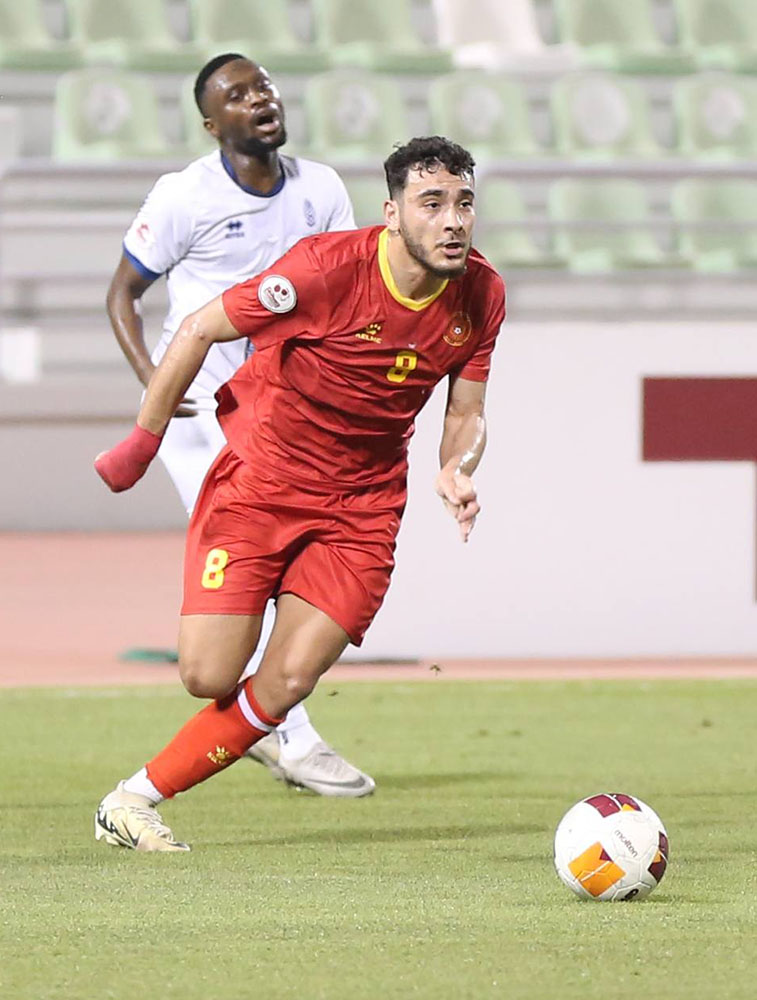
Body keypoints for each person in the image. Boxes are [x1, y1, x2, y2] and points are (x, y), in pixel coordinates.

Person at [93, 135, 506, 852]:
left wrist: (456, 467)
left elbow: (465, 410)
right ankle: (238, 723)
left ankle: (132, 800)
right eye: (432, 202)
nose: (453, 221)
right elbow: (198, 327)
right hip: (263, 482)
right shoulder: (325, 270)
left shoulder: (482, 293)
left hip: (362, 508)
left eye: (464, 203)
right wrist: (144, 438)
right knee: (207, 674)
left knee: (285, 683)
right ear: (392, 213)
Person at [105, 52, 374, 797]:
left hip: (281, 415)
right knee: (254, 561)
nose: (260, 98)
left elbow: (345, 289)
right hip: (199, 411)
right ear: (211, 123)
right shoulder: (184, 196)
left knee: (288, 566)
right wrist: (153, 384)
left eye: (264, 85)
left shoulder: (321, 188)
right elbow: (122, 294)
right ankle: (292, 736)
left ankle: (267, 722)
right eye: (238, 94)